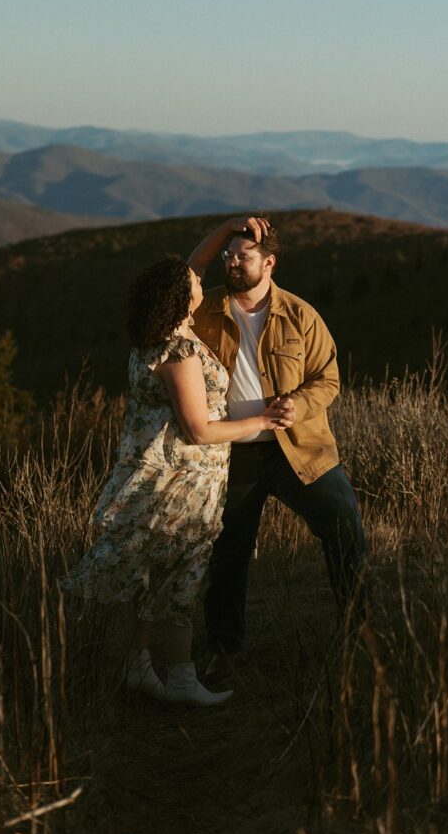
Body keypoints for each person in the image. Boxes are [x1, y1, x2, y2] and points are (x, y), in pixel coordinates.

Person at [62, 255, 293, 706]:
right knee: (181, 574)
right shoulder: (179, 351)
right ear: (179, 296)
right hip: (182, 480)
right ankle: (183, 678)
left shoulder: (154, 339)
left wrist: (228, 228)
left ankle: (137, 665)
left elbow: (193, 263)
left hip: (156, 472)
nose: (200, 281)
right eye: (193, 281)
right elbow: (199, 429)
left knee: (150, 571)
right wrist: (263, 420)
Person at [188, 217, 367, 683]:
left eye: (242, 255)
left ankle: (358, 635)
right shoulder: (205, 311)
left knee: (344, 522)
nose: (231, 261)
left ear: (268, 262)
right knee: (228, 551)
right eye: (228, 255)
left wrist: (300, 404)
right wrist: (227, 228)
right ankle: (225, 651)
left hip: (298, 449)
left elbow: (327, 377)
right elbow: (189, 271)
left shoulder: (300, 315)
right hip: (231, 453)